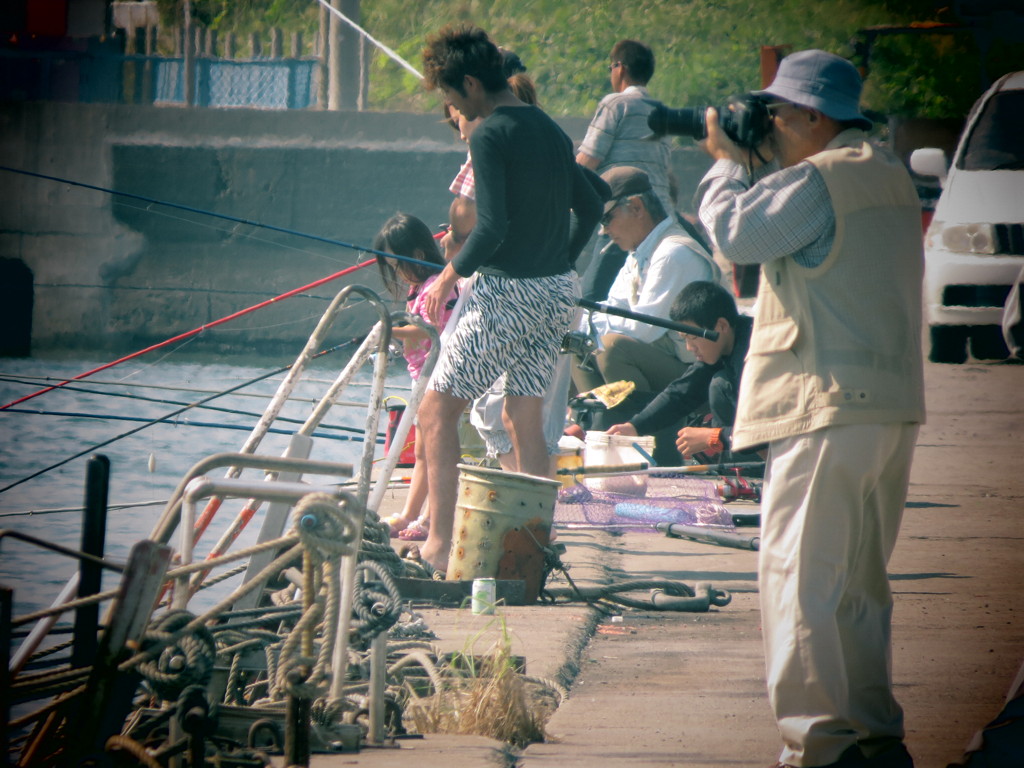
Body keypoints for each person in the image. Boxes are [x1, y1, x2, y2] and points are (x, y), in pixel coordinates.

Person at [696, 50, 925, 768]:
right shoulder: (886, 174)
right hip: (889, 407)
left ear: (815, 118)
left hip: (826, 403)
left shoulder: (822, 182)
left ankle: (818, 746)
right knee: (858, 584)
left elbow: (735, 233)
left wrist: (729, 162)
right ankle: (874, 733)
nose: (770, 127)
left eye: (779, 115)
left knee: (797, 578)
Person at [418, 24, 603, 572]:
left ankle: (436, 545)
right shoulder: (545, 125)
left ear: (471, 84)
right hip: (556, 292)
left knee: (435, 411)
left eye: (451, 97)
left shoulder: (490, 132)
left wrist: (449, 276)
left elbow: (491, 227)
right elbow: (593, 205)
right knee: (524, 414)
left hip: (510, 292)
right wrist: (560, 260)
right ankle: (530, 547)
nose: (452, 108)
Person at [571, 166, 722, 399]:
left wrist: (580, 324)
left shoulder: (673, 253)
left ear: (636, 207)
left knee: (612, 348)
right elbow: (615, 306)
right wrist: (573, 328)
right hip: (668, 361)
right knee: (575, 344)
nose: (604, 230)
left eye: (607, 218)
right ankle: (597, 425)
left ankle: (637, 429)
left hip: (701, 375)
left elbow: (643, 329)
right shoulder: (640, 252)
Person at [372, 213, 459, 541]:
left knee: (433, 451)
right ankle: (412, 513)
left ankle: (428, 519)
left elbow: (429, 330)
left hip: (438, 377)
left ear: (418, 255)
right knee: (422, 451)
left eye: (398, 265)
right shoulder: (421, 286)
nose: (397, 273)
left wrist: (390, 330)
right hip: (421, 376)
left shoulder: (437, 286)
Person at [605, 280, 758, 464]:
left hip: (786, 450)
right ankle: (738, 468)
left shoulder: (755, 354)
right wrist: (634, 427)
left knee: (720, 383)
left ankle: (752, 470)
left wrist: (714, 436)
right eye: (684, 338)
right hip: (747, 439)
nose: (689, 347)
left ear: (721, 326)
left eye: (693, 337)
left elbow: (769, 428)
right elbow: (681, 393)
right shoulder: (719, 349)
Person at [576, 40, 674, 302]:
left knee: (591, 297)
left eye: (611, 67)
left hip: (623, 214)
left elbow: (588, 159)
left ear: (619, 68)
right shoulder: (662, 112)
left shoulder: (616, 104)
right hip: (662, 219)